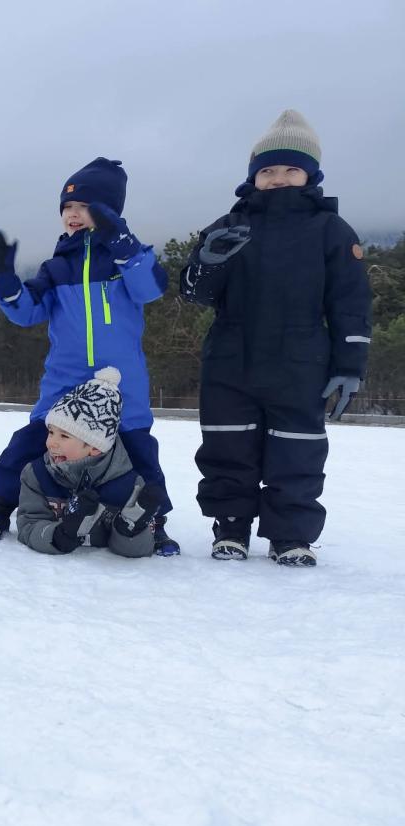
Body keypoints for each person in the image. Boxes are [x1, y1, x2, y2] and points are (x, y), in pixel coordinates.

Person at [180, 110, 372, 566]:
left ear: (311, 175)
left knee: (297, 454)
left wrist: (350, 365)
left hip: (300, 364)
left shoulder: (331, 230)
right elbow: (192, 292)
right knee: (227, 449)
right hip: (231, 361)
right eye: (267, 170)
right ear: (253, 176)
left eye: (290, 169)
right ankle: (230, 528)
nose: (278, 178)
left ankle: (290, 536)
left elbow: (349, 303)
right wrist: (207, 263)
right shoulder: (230, 224)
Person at [0, 157, 178, 555]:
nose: (73, 213)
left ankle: (153, 523)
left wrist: (123, 244)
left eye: (84, 206)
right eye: (67, 207)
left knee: (139, 453)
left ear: (109, 212)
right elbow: (27, 311)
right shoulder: (56, 268)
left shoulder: (127, 262)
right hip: (64, 382)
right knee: (29, 444)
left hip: (123, 382)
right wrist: (4, 279)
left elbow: (150, 288)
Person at [17, 368, 166, 557]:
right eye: (51, 432)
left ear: (95, 447)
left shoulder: (129, 486)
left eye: (64, 436)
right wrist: (58, 536)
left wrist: (130, 529)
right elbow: (29, 524)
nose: (51, 442)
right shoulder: (37, 475)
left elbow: (137, 551)